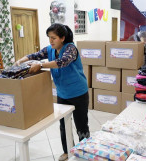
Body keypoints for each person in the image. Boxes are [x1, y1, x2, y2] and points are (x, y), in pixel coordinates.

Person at [15, 23, 90, 161]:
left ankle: (85, 151)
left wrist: (41, 65)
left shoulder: (71, 49)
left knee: (81, 124)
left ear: (62, 38)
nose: (50, 41)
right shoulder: (50, 49)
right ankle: (67, 151)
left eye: (53, 38)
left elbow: (62, 62)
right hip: (62, 93)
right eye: (49, 37)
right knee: (63, 125)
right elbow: (35, 55)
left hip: (78, 92)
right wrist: (21, 60)